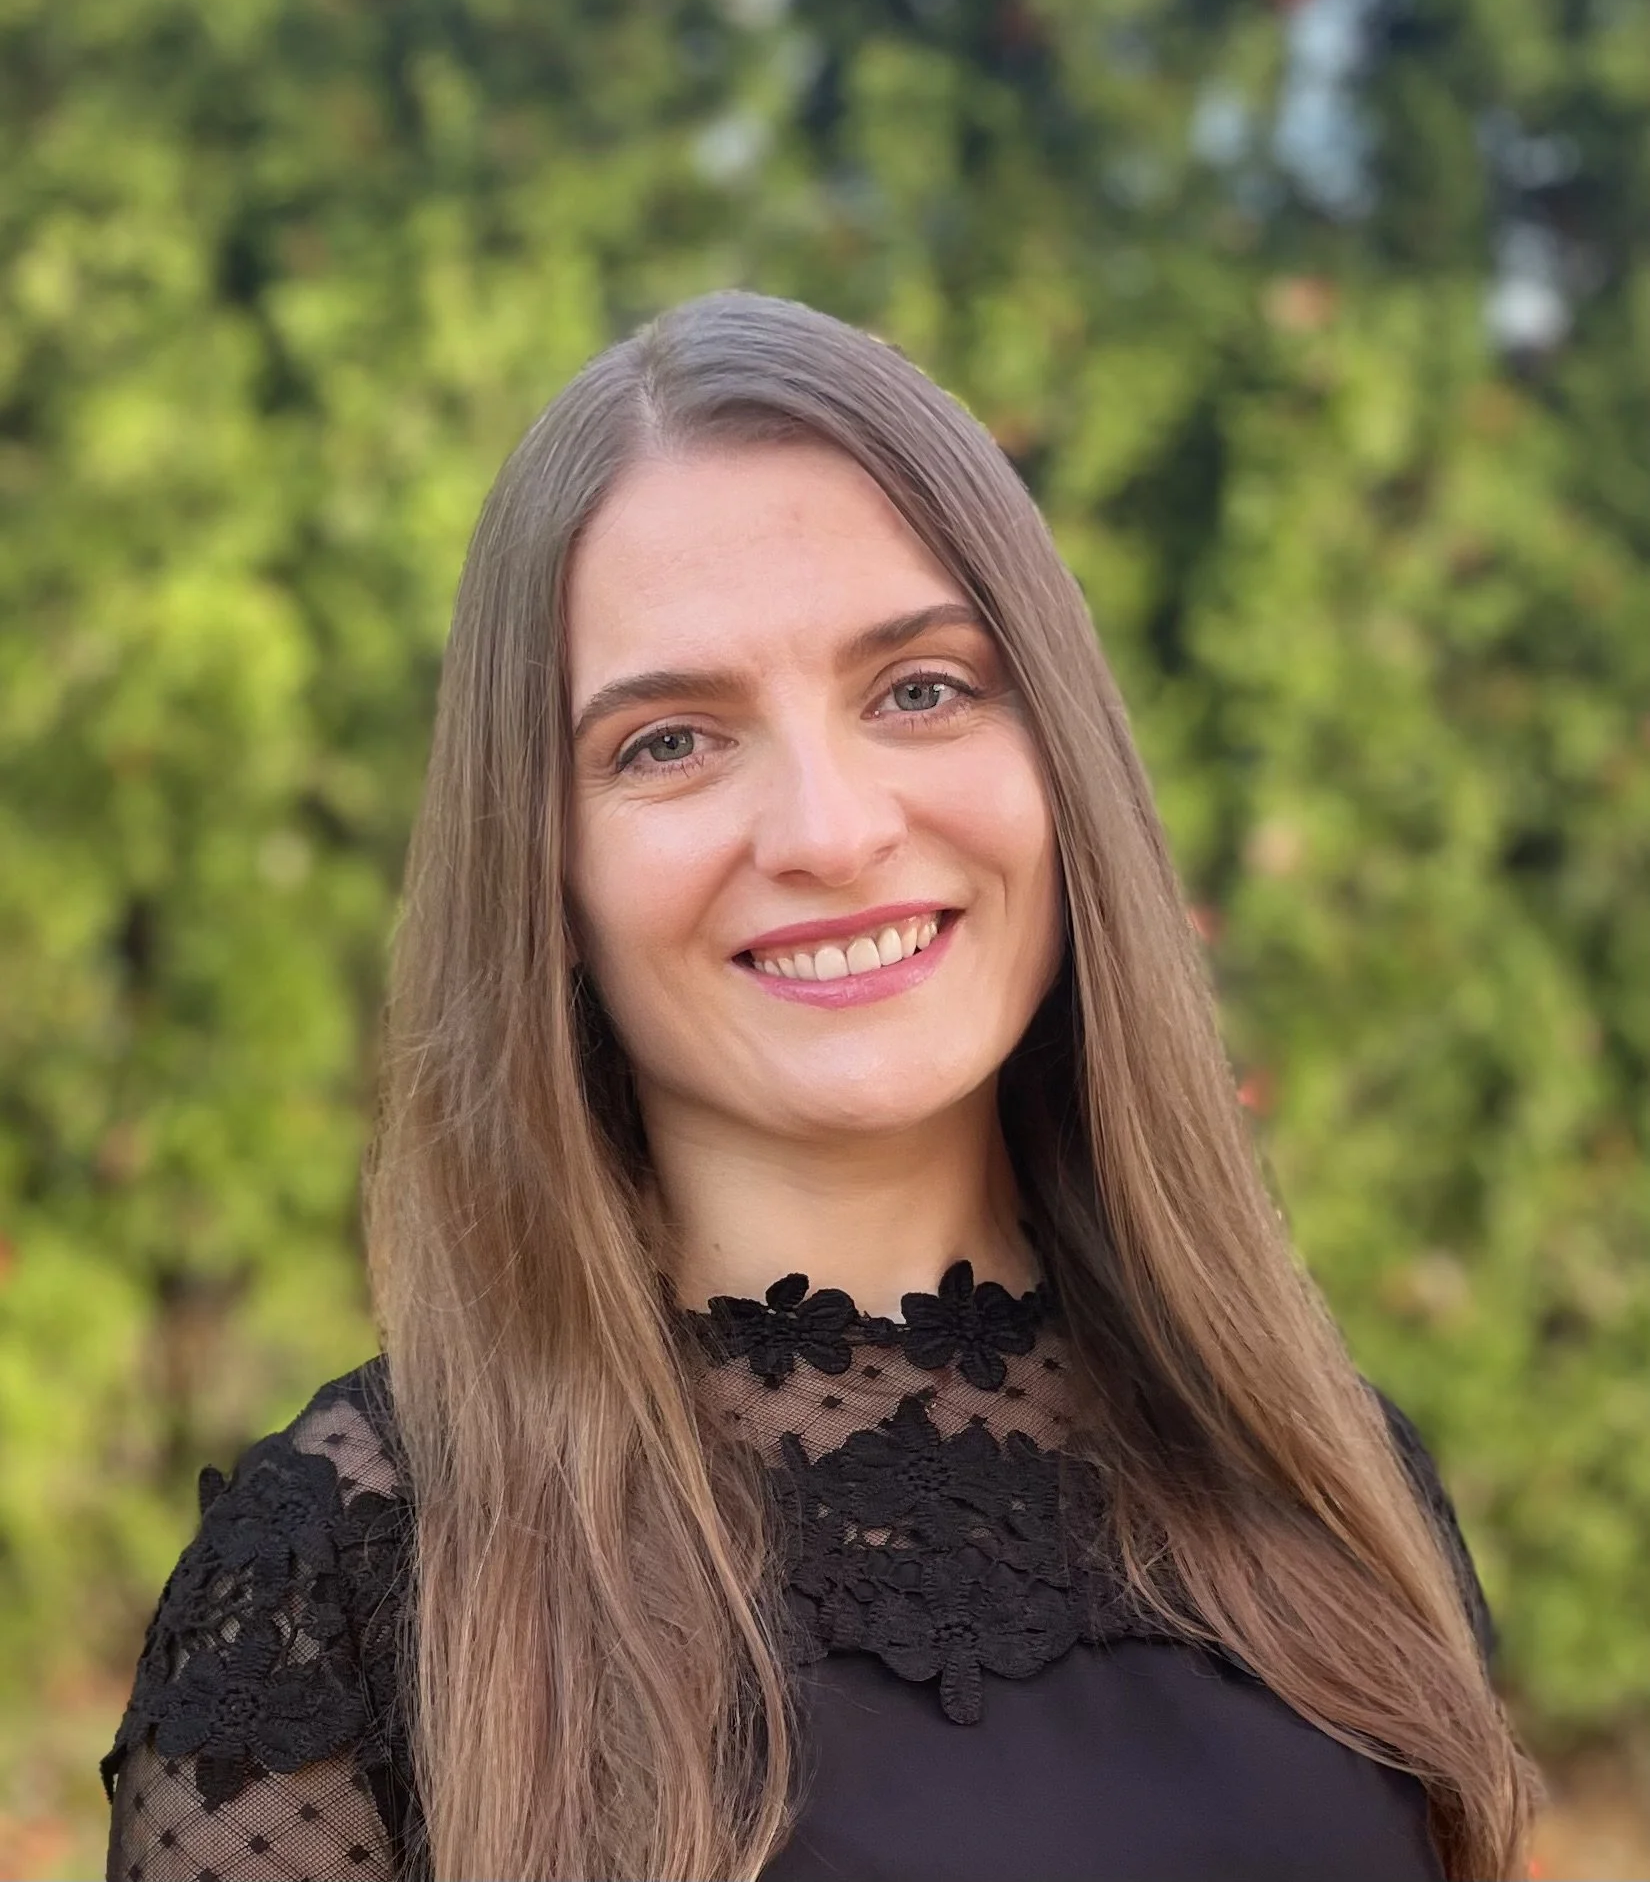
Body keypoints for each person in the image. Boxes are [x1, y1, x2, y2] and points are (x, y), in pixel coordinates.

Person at [102, 290, 1537, 1882]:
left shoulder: (1329, 1473)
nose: (831, 830)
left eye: (919, 688)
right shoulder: (343, 1587)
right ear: (545, 881)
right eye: (668, 742)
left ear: (1060, 761)